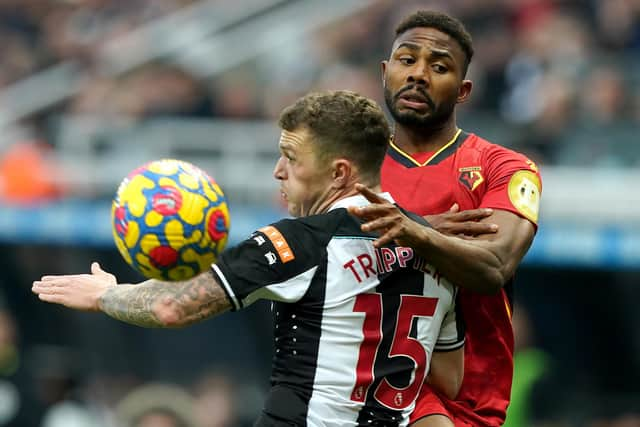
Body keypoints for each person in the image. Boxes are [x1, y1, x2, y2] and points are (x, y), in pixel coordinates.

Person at [33, 90, 465, 427]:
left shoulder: (300, 242)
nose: (278, 170)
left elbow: (171, 305)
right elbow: (448, 375)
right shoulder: (437, 247)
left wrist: (109, 294)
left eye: (292, 158)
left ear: (339, 173)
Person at [348, 10, 542, 427]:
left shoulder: (503, 168)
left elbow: (493, 266)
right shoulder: (349, 165)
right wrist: (424, 229)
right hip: (361, 385)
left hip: (469, 397)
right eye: (406, 60)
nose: (418, 74)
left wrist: (404, 229)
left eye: (439, 66)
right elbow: (312, 250)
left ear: (463, 90)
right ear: (385, 72)